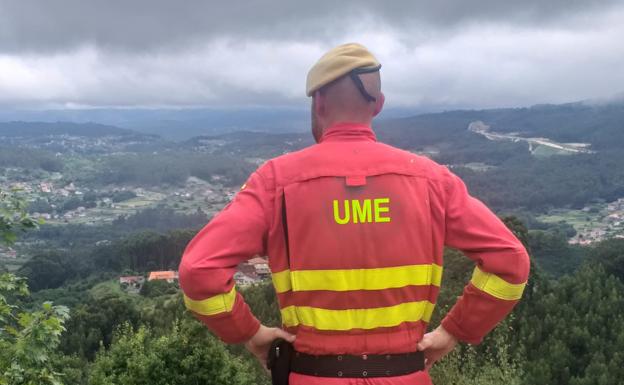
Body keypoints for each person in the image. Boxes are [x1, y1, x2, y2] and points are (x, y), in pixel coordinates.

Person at [178, 42, 530, 385]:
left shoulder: (276, 181)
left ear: (318, 103)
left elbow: (199, 272)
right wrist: (455, 331)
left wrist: (251, 333)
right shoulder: (432, 180)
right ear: (378, 104)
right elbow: (511, 263)